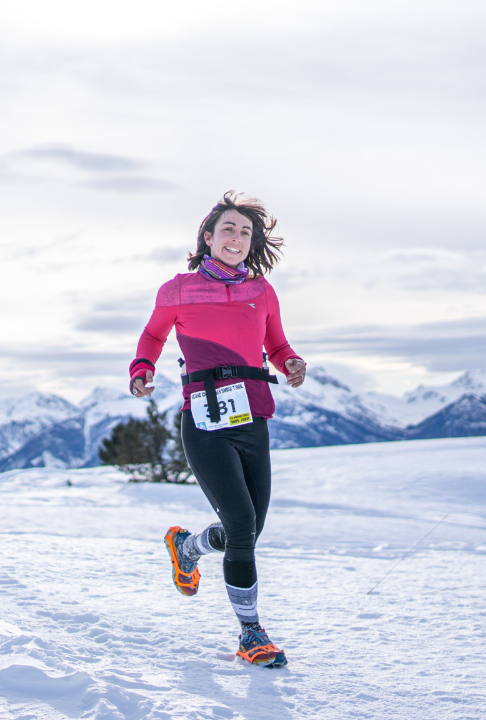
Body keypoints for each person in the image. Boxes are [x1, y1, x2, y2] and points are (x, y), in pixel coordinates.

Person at [130, 192, 306, 669]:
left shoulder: (261, 292)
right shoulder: (179, 289)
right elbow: (152, 335)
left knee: (249, 528)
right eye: (228, 229)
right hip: (204, 420)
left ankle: (187, 547)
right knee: (243, 526)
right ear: (207, 238)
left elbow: (276, 342)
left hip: (253, 417)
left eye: (245, 232)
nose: (237, 237)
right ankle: (251, 633)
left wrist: (289, 361)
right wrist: (142, 366)